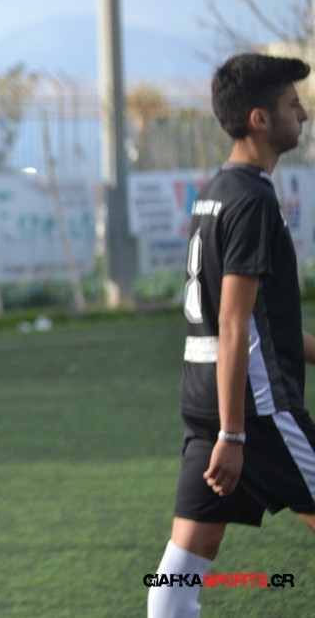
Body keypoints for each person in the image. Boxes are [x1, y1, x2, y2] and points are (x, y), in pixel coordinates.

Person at [148, 53, 315, 617]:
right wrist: (235, 434)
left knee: (177, 581)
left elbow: (266, 325)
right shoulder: (252, 200)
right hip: (254, 412)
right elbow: (234, 323)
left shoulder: (216, 191)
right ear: (260, 119)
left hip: (208, 403)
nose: (303, 114)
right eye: (294, 104)